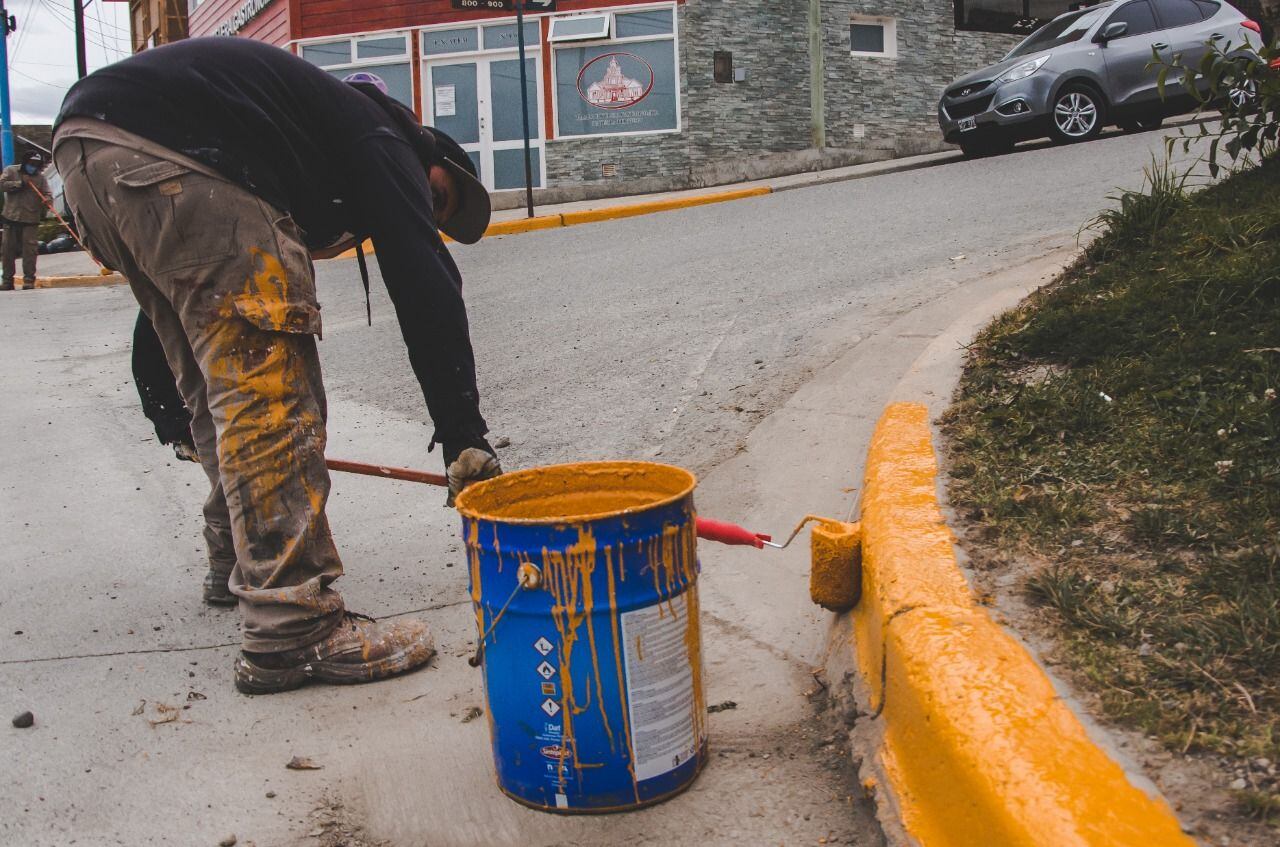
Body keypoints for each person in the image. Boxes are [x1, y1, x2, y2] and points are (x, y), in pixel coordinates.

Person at [53, 38, 503, 694]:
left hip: (88, 154)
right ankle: (291, 628)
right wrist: (465, 437)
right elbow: (424, 281)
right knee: (267, 379)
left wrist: (169, 412)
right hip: (164, 149)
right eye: (437, 198)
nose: (424, 211)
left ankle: (234, 557)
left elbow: (168, 315)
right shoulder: (386, 135)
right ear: (429, 154)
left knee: (220, 379)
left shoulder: (302, 128)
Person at [1, 150, 51, 291]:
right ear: (25, 162)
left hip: (30, 219)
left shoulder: (40, 178)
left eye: (36, 164)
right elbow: (2, 185)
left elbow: (47, 193)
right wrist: (20, 183)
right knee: (7, 251)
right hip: (11, 218)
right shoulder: (11, 171)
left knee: (30, 251)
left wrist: (47, 200)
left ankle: (29, 280)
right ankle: (7, 281)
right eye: (31, 163)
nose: (33, 166)